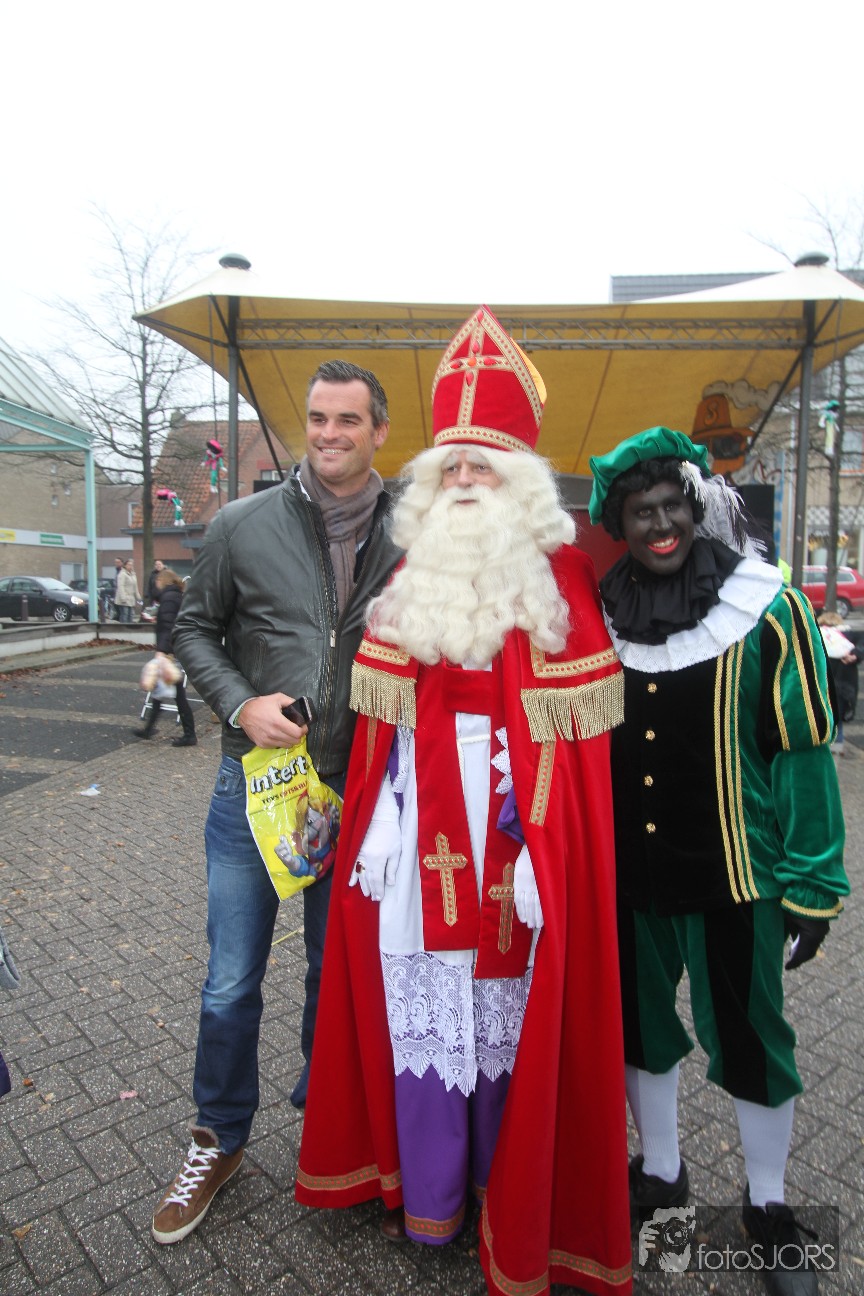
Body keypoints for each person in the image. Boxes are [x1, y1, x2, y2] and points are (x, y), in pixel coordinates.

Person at [296, 309, 632, 1296]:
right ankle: (429, 1191)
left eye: (487, 465)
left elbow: (570, 747)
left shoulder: (563, 576)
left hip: (516, 838)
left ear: (521, 480)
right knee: (427, 1011)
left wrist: (539, 846)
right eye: (454, 465)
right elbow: (390, 728)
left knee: (512, 1018)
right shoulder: (415, 572)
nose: (468, 480)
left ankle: (508, 1191)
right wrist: (382, 822)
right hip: (421, 833)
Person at [588, 428, 850, 1296]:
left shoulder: (768, 606)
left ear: (696, 508)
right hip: (631, 875)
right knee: (640, 1030)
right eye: (641, 511)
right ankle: (662, 1176)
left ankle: (769, 1211)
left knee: (751, 1037)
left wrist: (814, 884)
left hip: (740, 873)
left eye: (673, 506)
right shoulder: (600, 612)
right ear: (619, 523)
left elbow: (804, 750)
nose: (661, 524)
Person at [151, 359, 400, 1245]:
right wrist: (238, 702)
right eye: (318, 418)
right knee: (231, 979)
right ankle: (217, 1140)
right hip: (256, 789)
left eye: (348, 420)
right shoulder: (241, 524)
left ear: (379, 431)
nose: (328, 434)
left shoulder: (415, 531)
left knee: (341, 978)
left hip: (362, 793)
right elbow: (192, 630)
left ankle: (332, 1141)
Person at [132, 567, 197, 746]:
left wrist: (162, 650)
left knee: (174, 692)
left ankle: (189, 734)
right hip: (172, 649)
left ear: (164, 581)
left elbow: (167, 626)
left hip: (169, 651)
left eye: (158, 581)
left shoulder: (168, 598)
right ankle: (149, 729)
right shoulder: (175, 596)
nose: (156, 585)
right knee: (161, 690)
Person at [816, 610, 857, 755]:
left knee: (824, 713)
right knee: (838, 715)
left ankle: (825, 744)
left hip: (824, 683)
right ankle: (837, 746)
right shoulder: (847, 639)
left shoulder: (819, 635)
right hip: (844, 684)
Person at [114, 558, 140, 623]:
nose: (130, 566)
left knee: (131, 615)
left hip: (131, 598)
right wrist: (123, 598)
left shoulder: (133, 574)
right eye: (129, 565)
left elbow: (135, 586)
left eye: (131, 565)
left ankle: (130, 627)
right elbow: (121, 586)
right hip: (124, 598)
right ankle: (123, 627)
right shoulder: (122, 574)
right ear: (125, 565)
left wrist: (138, 597)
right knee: (124, 614)